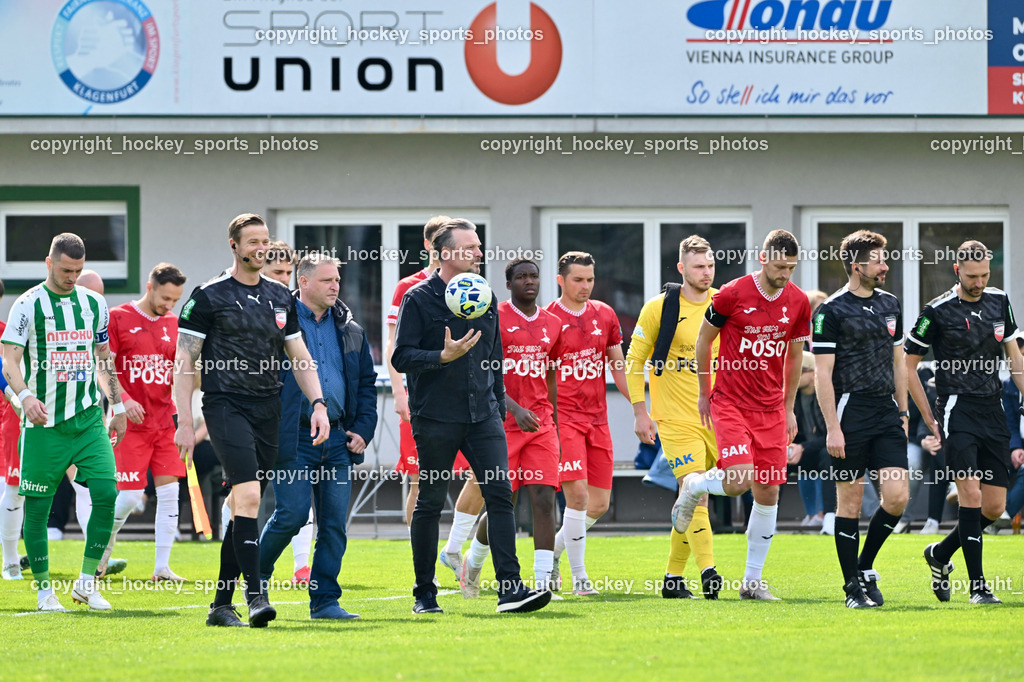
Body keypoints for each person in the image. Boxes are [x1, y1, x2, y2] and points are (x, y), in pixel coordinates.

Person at [173, 213, 331, 627]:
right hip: (226, 405)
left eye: (265, 241)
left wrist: (318, 404)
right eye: (252, 242)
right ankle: (256, 595)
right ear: (234, 246)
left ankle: (220, 606)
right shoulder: (207, 296)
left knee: (240, 504)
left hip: (269, 409)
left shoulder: (281, 297)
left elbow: (299, 357)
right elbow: (185, 360)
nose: (260, 248)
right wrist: (185, 421)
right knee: (248, 498)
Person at [392, 217, 550, 614]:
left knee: (501, 496)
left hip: (484, 417)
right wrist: (440, 357)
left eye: (479, 246)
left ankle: (510, 590)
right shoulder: (418, 298)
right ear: (443, 253)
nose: (479, 253)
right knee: (429, 502)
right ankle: (424, 595)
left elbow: (494, 359)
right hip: (436, 418)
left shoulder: (486, 296)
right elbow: (401, 356)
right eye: (470, 247)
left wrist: (497, 408)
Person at [674, 229, 811, 600]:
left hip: (771, 409)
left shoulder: (798, 302)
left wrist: (788, 407)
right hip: (731, 402)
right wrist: (705, 390)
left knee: (768, 491)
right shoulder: (732, 293)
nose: (785, 274)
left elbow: (795, 357)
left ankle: (752, 581)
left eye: (792, 268)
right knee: (738, 480)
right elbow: (704, 340)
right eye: (780, 266)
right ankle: (695, 485)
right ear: (763, 258)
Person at [1, 233, 128, 611]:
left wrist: (117, 406)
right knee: (37, 509)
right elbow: (9, 360)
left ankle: (87, 583)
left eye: (78, 270)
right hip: (44, 424)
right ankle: (44, 592)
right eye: (65, 270)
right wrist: (24, 397)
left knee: (106, 494)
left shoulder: (94, 304)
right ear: (49, 263)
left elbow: (103, 357)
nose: (72, 276)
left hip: (88, 420)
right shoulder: (28, 305)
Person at [259, 253, 378, 620]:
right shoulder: (277, 323)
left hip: (339, 441)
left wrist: (362, 430)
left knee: (332, 526)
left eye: (337, 280)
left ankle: (325, 601)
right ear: (304, 282)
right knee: (292, 515)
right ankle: (254, 579)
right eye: (327, 280)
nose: (335, 286)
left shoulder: (351, 329)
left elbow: (365, 386)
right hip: (294, 435)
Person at [906, 240, 1023, 604]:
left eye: (986, 274)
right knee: (970, 497)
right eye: (973, 276)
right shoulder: (936, 311)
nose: (980, 281)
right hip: (957, 410)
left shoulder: (999, 300)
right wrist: (928, 417)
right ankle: (978, 588)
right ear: (957, 271)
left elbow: (1014, 356)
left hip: (994, 411)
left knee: (992, 507)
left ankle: (939, 554)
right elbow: (907, 367)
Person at [812, 230, 909, 608]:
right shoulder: (831, 311)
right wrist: (832, 427)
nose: (886, 266)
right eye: (879, 260)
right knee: (849, 504)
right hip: (849, 413)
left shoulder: (891, 303)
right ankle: (852, 588)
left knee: (898, 497)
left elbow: (899, 362)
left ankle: (864, 567)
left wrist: (902, 412)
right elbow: (822, 374)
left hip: (885, 411)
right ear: (857, 266)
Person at [383, 216, 483, 583]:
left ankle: (453, 549)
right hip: (423, 399)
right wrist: (399, 393)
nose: (475, 251)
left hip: (468, 403)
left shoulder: (475, 286)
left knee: (481, 476)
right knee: (420, 481)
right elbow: (396, 345)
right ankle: (424, 566)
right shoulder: (410, 289)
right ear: (433, 247)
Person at [626, 235, 724, 600]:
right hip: (673, 417)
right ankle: (709, 571)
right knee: (694, 492)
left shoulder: (723, 304)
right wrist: (640, 411)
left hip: (717, 417)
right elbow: (634, 360)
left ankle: (672, 578)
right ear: (682, 268)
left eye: (710, 266)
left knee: (693, 498)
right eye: (699, 266)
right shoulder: (659, 308)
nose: (706, 272)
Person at [459, 258, 563, 597]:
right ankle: (472, 564)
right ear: (509, 284)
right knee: (504, 502)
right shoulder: (495, 317)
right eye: (521, 277)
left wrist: (553, 419)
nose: (529, 282)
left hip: (541, 425)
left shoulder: (553, 323)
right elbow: (483, 373)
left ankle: (544, 581)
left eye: (533, 276)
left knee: (544, 500)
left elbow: (550, 375)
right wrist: (515, 409)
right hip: (501, 423)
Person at [97, 263, 188, 582]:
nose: (169, 306)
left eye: (175, 300)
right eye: (165, 298)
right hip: (128, 423)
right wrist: (123, 400)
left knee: (170, 493)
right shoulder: (118, 317)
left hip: (165, 422)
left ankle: (162, 568)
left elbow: (180, 370)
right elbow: (103, 366)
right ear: (149, 286)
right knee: (131, 496)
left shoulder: (173, 324)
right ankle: (101, 549)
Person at [546, 251, 630, 596]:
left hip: (598, 418)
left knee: (599, 504)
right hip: (563, 418)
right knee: (577, 496)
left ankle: (551, 553)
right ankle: (580, 579)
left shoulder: (605, 314)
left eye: (590, 280)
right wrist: (547, 421)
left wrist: (640, 407)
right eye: (578, 280)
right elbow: (544, 376)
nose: (585, 286)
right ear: (560, 280)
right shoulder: (548, 318)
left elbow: (618, 365)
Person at [259, 241, 315, 585]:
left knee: (296, 504)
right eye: (276, 272)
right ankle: (236, 568)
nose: (282, 280)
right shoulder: (234, 304)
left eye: (286, 273)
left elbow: (306, 364)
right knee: (243, 498)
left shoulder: (293, 310)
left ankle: (300, 566)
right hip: (248, 420)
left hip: (291, 423)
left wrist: (319, 405)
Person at [0, 277, 28, 580]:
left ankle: (10, 561)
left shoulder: (9, 333)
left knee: (14, 488)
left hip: (10, 421)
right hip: (12, 413)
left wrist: (17, 397)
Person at [788, 351, 832, 530]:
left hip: (825, 448)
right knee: (779, 458)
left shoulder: (826, 395)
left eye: (799, 370)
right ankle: (768, 516)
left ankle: (827, 515)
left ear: (813, 372)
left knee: (827, 456)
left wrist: (802, 447)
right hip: (804, 450)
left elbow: (832, 436)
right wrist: (791, 446)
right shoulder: (793, 397)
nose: (793, 375)